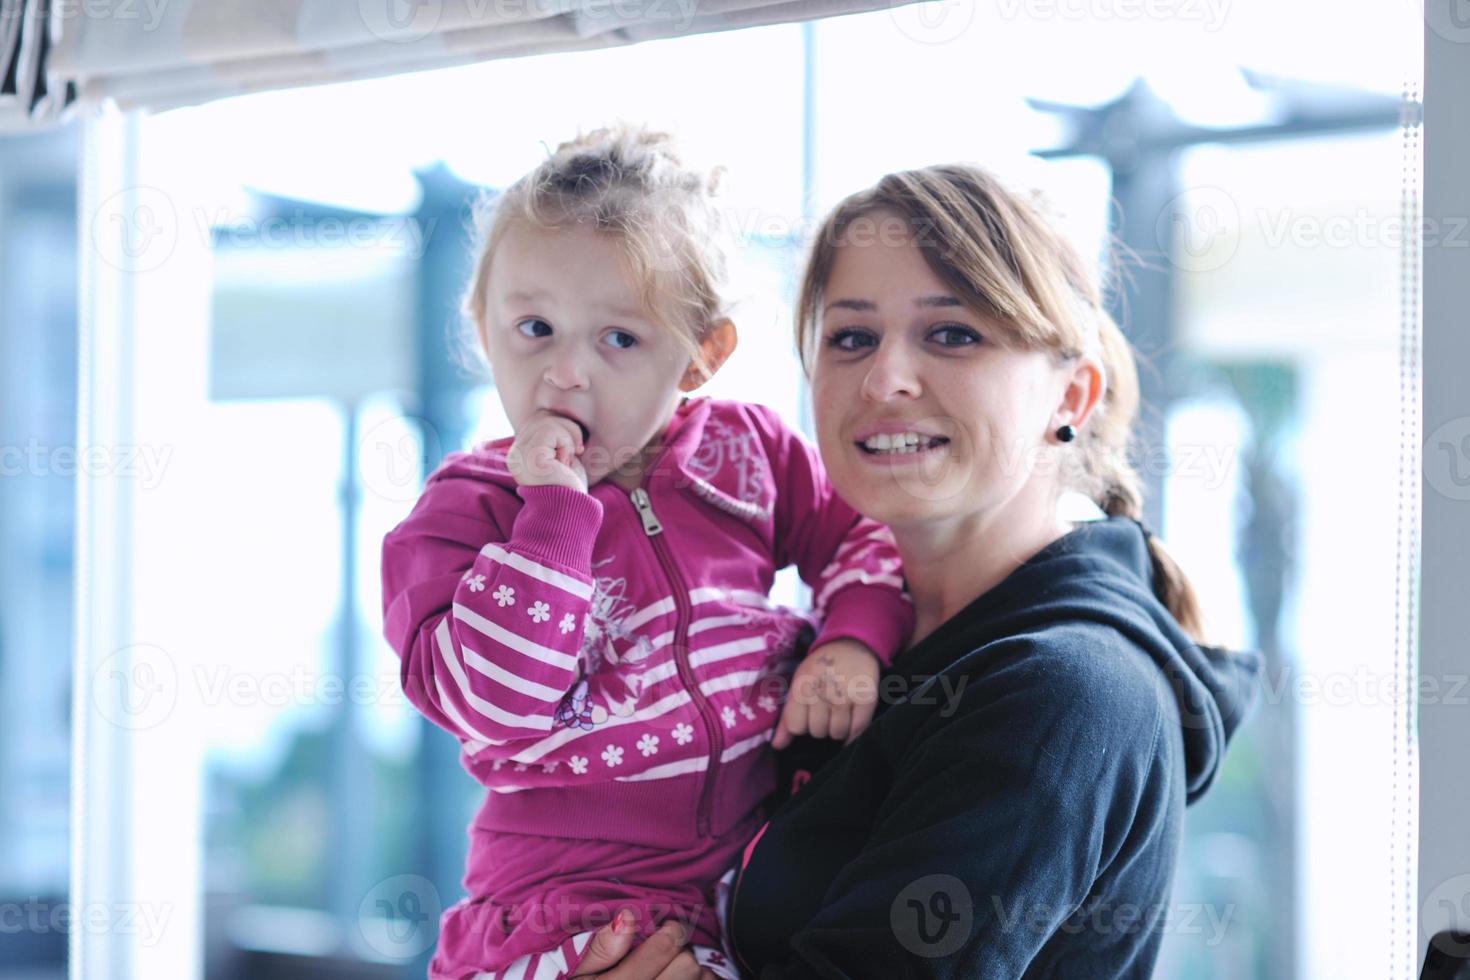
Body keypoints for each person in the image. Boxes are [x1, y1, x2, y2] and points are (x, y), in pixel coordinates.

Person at [565, 164, 1264, 978]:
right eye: (852, 337)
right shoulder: (851, 649)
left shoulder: (1062, 694)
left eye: (953, 334)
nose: (884, 378)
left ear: (1070, 399)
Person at [377, 125, 916, 980]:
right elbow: (497, 703)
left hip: (742, 881)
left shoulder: (750, 453)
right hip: (561, 907)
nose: (565, 375)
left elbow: (865, 536)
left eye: (617, 339)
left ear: (702, 356)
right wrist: (554, 512)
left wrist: (852, 639)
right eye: (534, 328)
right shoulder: (463, 512)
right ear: (484, 329)